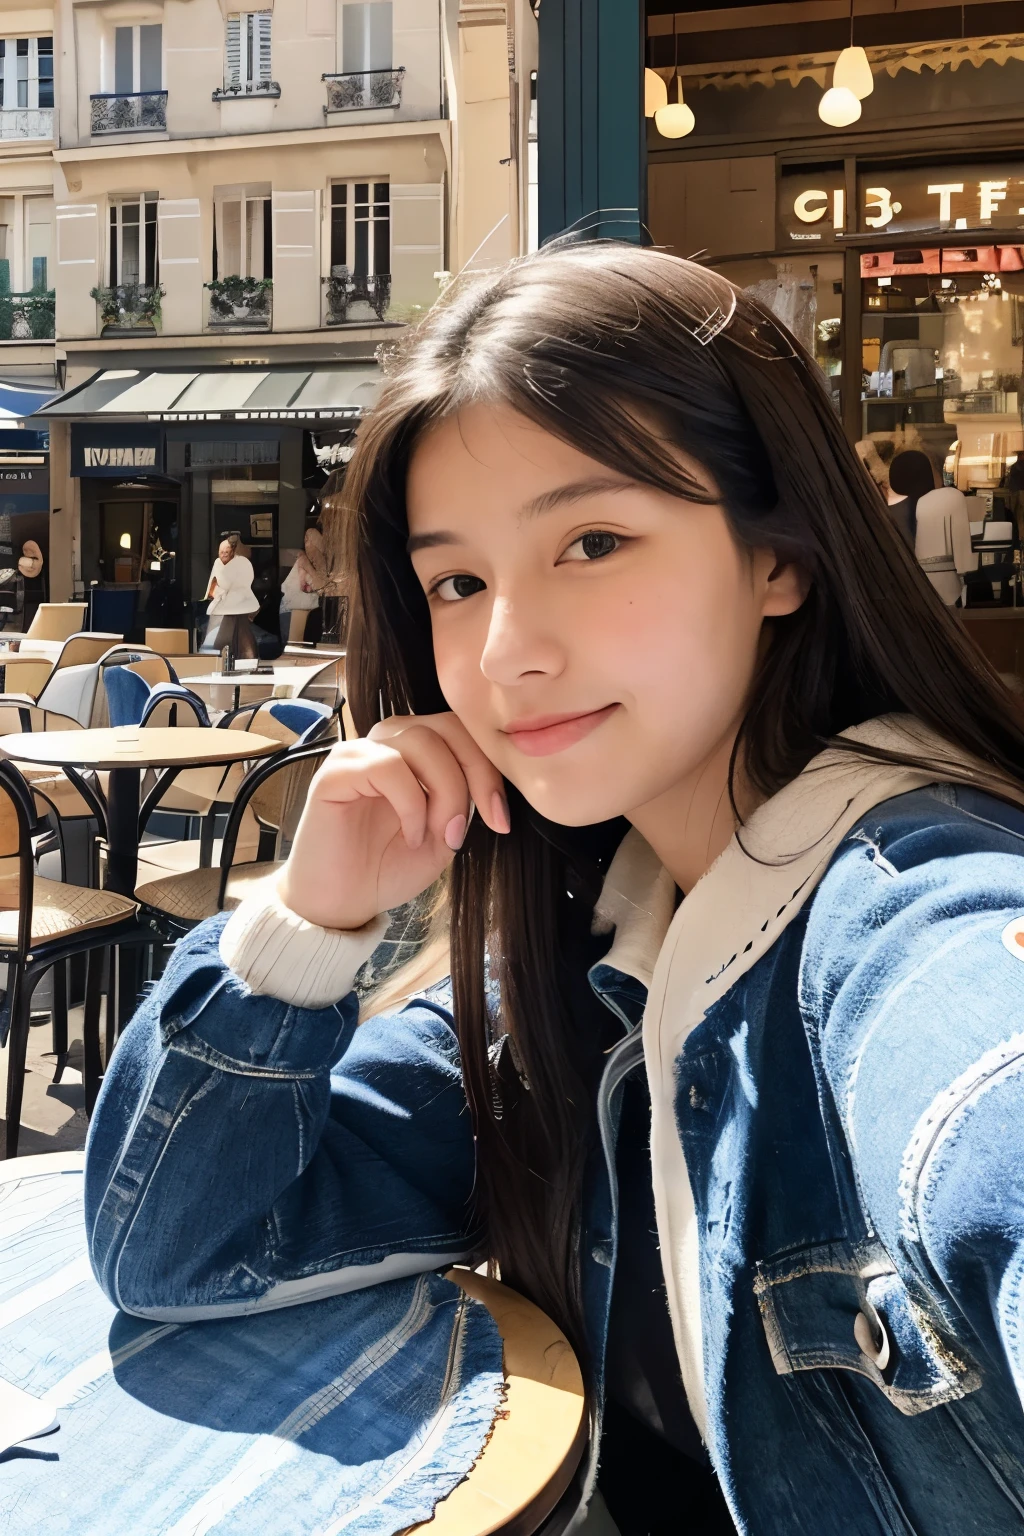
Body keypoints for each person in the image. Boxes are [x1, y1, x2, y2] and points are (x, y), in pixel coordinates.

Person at [84, 246, 1024, 1536]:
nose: (507, 652)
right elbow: (184, 1254)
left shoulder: (913, 919)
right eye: (457, 582)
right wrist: (310, 927)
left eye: (591, 541)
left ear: (779, 558)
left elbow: (979, 1105)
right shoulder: (589, 952)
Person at [204, 534, 259, 656]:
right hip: (224, 611)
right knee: (219, 646)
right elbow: (213, 589)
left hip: (232, 609)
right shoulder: (220, 565)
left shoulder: (242, 565)